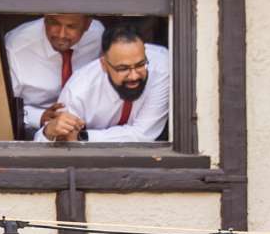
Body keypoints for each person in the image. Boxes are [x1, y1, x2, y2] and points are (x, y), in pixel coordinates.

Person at [39, 23, 172, 144]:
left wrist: (84, 137)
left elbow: (144, 134)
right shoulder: (78, 90)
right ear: (104, 64)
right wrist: (48, 132)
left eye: (140, 65)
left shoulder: (161, 66)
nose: (133, 76)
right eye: (123, 68)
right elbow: (59, 140)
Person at [0, 13, 102, 140]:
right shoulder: (15, 47)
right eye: (55, 23)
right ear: (45, 18)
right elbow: (2, 107)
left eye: (71, 26)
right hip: (32, 127)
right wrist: (39, 116)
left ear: (87, 25)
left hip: (84, 124)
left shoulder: (98, 35)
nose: (61, 34)